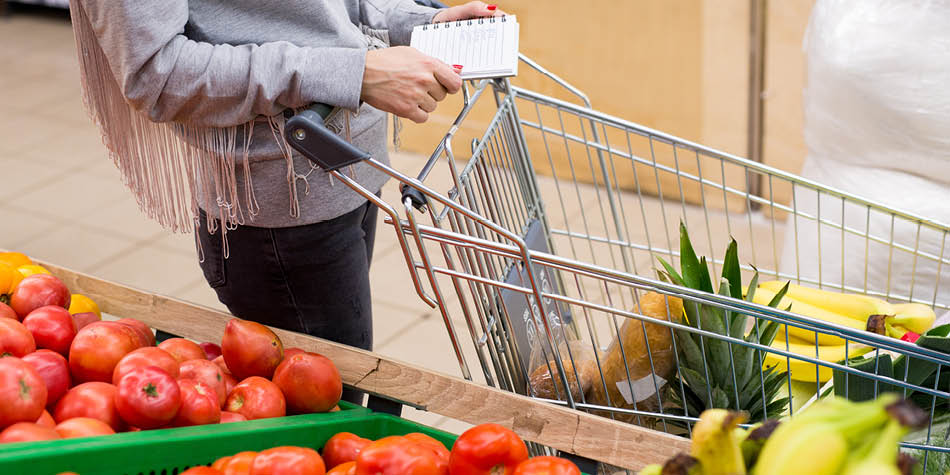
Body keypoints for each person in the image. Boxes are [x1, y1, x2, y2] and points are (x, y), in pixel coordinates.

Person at [68, 0, 503, 401]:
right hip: (278, 210)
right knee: (326, 417)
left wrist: (420, 25)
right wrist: (356, 73)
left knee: (336, 396)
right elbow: (157, 74)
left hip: (349, 173)